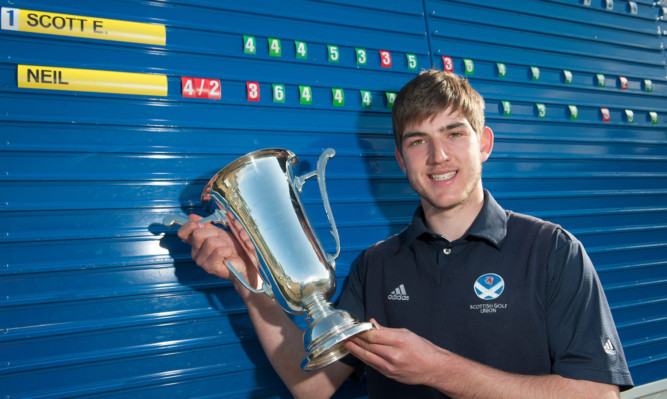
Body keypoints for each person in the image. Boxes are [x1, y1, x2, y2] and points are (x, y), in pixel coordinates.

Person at [178, 69, 633, 398]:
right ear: (400, 159)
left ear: (485, 144)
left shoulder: (552, 250)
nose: (438, 156)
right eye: (418, 141)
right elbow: (312, 385)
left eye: (454, 133)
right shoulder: (376, 266)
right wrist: (249, 282)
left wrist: (439, 370)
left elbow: (596, 395)